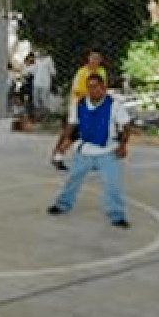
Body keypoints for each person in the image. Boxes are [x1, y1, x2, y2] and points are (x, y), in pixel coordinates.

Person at [48, 73, 131, 228]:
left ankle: (117, 214)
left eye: (97, 86)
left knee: (112, 184)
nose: (94, 90)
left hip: (107, 151)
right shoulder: (79, 105)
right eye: (90, 87)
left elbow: (126, 126)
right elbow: (70, 126)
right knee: (72, 179)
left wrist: (123, 145)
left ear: (104, 88)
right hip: (84, 151)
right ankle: (63, 205)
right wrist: (60, 146)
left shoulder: (114, 105)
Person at [52, 49, 107, 170]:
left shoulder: (101, 72)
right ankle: (58, 156)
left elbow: (103, 89)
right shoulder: (82, 72)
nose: (95, 61)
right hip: (79, 106)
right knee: (71, 133)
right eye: (93, 58)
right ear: (89, 59)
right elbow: (76, 90)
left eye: (97, 59)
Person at [25, 48, 56, 121]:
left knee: (44, 100)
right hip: (36, 83)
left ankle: (46, 116)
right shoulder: (37, 60)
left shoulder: (49, 59)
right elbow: (33, 69)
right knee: (36, 100)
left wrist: (52, 73)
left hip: (45, 83)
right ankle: (38, 116)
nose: (40, 52)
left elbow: (52, 71)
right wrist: (26, 69)